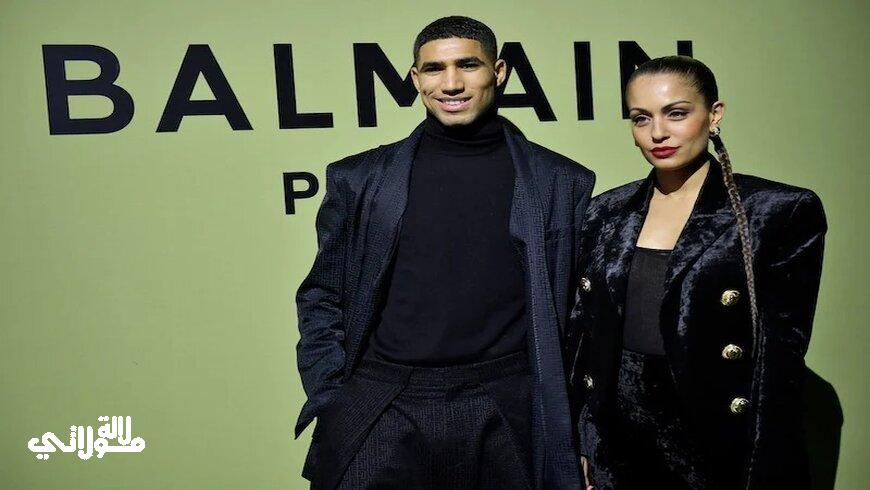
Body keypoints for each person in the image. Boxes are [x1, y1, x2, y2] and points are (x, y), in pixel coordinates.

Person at [295, 16, 595, 489]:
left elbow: (582, 322)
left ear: (498, 72)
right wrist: (333, 397)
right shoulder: (359, 179)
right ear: (416, 79)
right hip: (384, 401)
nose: (451, 84)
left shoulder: (561, 182)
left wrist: (582, 434)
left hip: (507, 405)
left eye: (468, 65)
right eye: (434, 69)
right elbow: (322, 295)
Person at [566, 56, 826, 489]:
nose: (657, 133)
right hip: (620, 441)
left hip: (718, 442)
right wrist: (582, 442)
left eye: (676, 113)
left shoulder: (776, 211)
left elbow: (779, 361)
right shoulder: (606, 211)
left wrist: (763, 469)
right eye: (641, 118)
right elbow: (584, 338)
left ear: (714, 114)